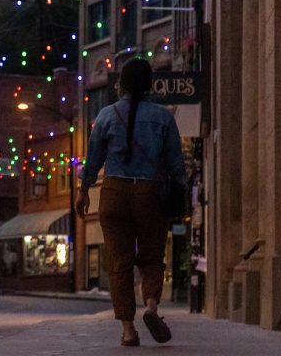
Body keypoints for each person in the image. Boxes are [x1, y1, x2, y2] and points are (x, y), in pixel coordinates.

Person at [74, 58, 186, 347]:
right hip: (149, 193)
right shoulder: (163, 117)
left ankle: (127, 330)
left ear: (120, 84)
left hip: (114, 193)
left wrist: (83, 190)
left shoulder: (106, 115)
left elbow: (94, 159)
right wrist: (180, 192)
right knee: (151, 257)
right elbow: (176, 164)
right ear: (150, 85)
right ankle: (151, 307)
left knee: (119, 263)